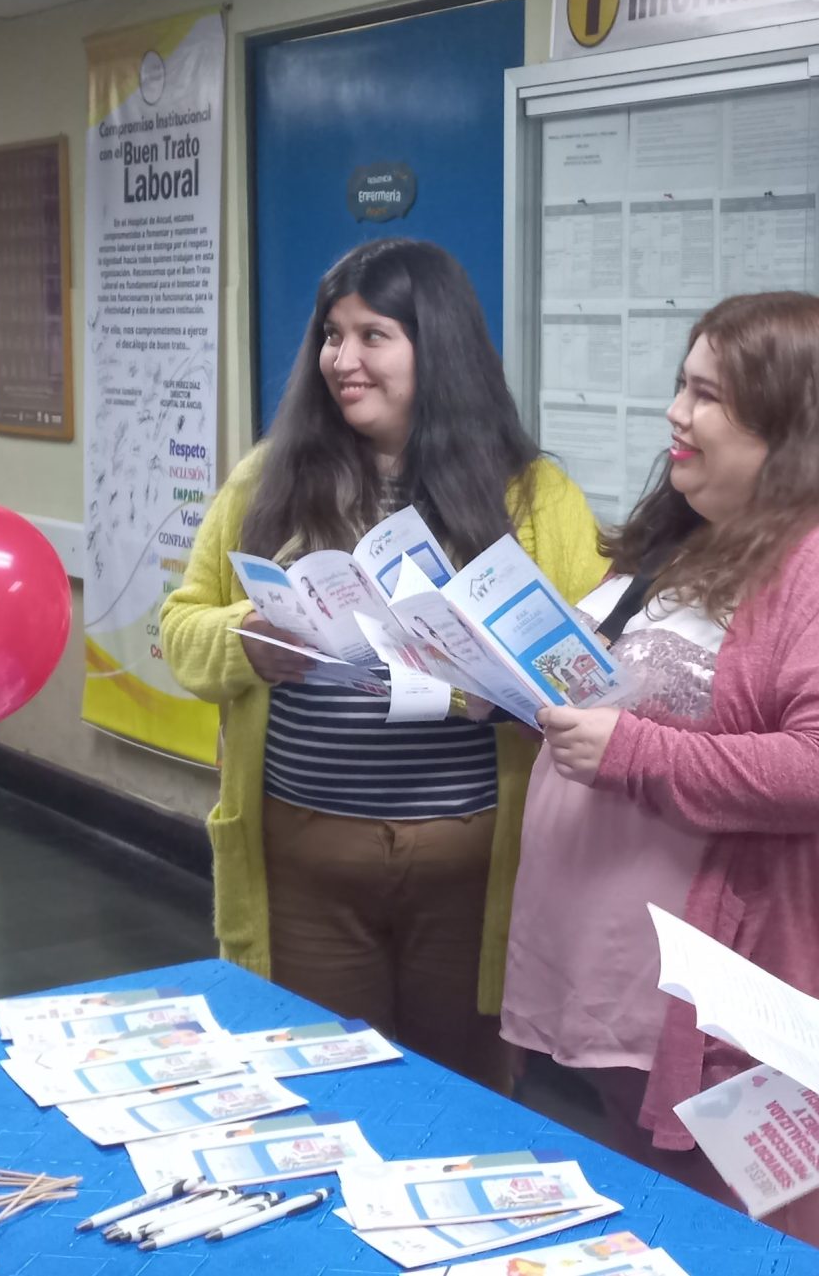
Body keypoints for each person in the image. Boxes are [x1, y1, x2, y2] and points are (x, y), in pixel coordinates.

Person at [500, 293, 819, 1246]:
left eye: (707, 395)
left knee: (736, 1245)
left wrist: (630, 750)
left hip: (732, 1027)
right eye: (682, 384)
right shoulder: (691, 537)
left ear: (792, 424)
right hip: (610, 1000)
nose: (677, 412)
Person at [161, 238, 605, 1087]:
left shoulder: (534, 496)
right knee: (319, 1091)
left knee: (461, 1098)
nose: (343, 359)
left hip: (470, 868)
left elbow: (592, 668)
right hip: (303, 862)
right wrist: (243, 640)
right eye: (332, 335)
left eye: (374, 336)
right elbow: (182, 626)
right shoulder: (269, 480)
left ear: (433, 346)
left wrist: (513, 685)